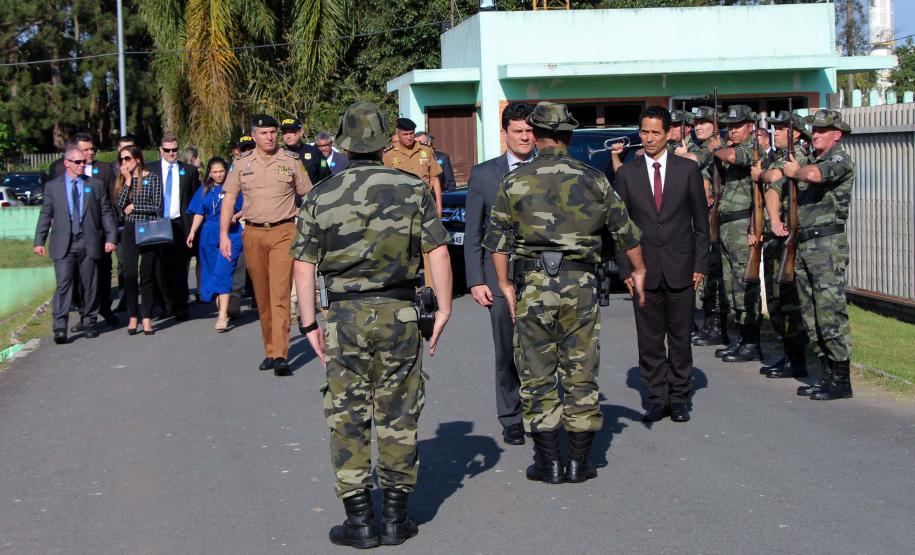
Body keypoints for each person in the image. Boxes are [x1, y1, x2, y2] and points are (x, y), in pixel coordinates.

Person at [291, 101, 452, 549]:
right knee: (399, 411)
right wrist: (443, 309)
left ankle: (359, 520)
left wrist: (309, 324)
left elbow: (304, 266)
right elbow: (437, 252)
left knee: (348, 413)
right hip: (399, 311)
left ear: (343, 142)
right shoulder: (412, 188)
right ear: (384, 141)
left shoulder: (321, 195)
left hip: (343, 317)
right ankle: (397, 518)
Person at [484, 102, 647, 484]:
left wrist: (505, 284)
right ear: (569, 137)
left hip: (535, 286)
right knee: (580, 371)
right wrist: (638, 270)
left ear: (536, 136)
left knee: (537, 373)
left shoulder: (515, 181)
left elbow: (497, 243)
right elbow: (627, 234)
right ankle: (578, 462)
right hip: (581, 286)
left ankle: (548, 462)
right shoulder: (594, 179)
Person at [612, 106, 709, 423]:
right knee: (650, 339)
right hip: (643, 271)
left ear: (668, 134)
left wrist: (700, 264)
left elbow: (701, 224)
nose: (649, 138)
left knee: (680, 337)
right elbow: (620, 226)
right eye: (644, 131)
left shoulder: (687, 170)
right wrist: (625, 270)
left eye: (655, 132)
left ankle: (680, 397)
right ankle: (657, 397)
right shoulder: (627, 173)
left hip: (682, 267)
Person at [463, 101, 535, 446]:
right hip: (497, 278)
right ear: (504, 133)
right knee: (505, 352)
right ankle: (511, 417)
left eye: (530, 131)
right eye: (518, 131)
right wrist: (476, 280)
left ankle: (542, 413)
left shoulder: (546, 170)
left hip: (541, 276)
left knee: (541, 349)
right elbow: (473, 233)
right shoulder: (483, 174)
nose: (525, 137)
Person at [221, 115, 312, 376]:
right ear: (255, 135)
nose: (270, 137)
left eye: (273, 132)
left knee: (279, 292)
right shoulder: (241, 163)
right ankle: (270, 350)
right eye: (264, 133)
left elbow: (308, 194)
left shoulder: (291, 162)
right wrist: (224, 235)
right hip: (253, 233)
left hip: (284, 231)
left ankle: (282, 355)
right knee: (262, 295)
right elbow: (229, 198)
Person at [782, 109, 856, 401]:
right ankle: (826, 373)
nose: (816, 134)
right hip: (804, 243)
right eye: (814, 129)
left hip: (827, 246)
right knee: (811, 313)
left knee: (829, 312)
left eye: (823, 130)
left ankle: (841, 378)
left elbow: (813, 176)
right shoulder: (809, 160)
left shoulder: (839, 159)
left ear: (836, 134)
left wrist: (794, 171)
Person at [33, 144, 118, 343]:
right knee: (64, 283)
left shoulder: (94, 185)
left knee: (89, 284)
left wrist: (111, 238)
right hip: (64, 242)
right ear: (67, 163)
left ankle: (89, 321)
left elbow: (106, 212)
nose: (83, 165)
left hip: (89, 241)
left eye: (84, 161)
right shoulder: (53, 187)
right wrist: (39, 241)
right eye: (78, 162)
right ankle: (60, 326)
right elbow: (46, 214)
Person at [752, 111, 811, 380]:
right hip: (776, 235)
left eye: (781, 128)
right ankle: (787, 355)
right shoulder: (776, 157)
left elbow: (774, 178)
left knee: (789, 300)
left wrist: (762, 174)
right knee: (776, 299)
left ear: (796, 133)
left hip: (792, 236)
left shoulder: (797, 156)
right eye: (774, 128)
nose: (775, 131)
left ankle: (797, 359)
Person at [50, 133, 120, 329]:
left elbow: (110, 204)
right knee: (74, 280)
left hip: (97, 235)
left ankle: (103, 310)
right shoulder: (58, 169)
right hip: (70, 237)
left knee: (100, 277)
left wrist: (111, 234)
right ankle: (83, 314)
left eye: (92, 149)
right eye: (85, 149)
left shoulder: (104, 171)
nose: (89, 153)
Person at [711, 105, 762, 363]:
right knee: (732, 285)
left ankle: (752, 340)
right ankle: (741, 337)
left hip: (743, 225)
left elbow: (732, 158)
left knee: (745, 284)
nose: (732, 130)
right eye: (729, 126)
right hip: (728, 225)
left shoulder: (752, 150)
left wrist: (716, 148)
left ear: (750, 127)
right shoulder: (730, 149)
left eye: (737, 126)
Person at [685, 106, 730, 348]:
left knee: (716, 272)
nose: (697, 126)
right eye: (696, 123)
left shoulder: (717, 146)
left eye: (703, 122)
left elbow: (694, 162)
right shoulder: (701, 147)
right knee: (708, 271)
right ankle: (711, 324)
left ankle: (718, 326)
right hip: (704, 215)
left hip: (720, 216)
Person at [146, 132, 200, 321]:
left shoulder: (189, 171)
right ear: (160, 150)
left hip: (179, 224)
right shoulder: (149, 170)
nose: (171, 153)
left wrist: (193, 227)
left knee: (179, 267)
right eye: (167, 150)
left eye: (174, 150)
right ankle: (164, 305)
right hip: (158, 224)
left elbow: (195, 200)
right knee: (159, 267)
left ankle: (181, 305)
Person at [185, 157, 243, 332]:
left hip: (230, 234)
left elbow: (248, 205)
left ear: (226, 171)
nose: (218, 175)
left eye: (221, 171)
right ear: (209, 173)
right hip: (209, 234)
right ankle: (224, 307)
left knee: (223, 272)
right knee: (211, 273)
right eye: (215, 172)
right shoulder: (204, 190)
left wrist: (236, 216)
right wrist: (193, 232)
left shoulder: (234, 187)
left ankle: (222, 316)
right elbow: (199, 212)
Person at [116, 146, 163, 335]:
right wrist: (127, 182)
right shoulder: (123, 180)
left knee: (147, 273)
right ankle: (133, 315)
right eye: (121, 160)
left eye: (127, 159)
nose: (124, 163)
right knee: (129, 273)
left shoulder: (152, 178)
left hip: (148, 228)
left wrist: (134, 206)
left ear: (137, 158)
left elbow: (157, 205)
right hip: (130, 229)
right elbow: (120, 206)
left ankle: (146, 316)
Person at [382, 118, 443, 216]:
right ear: (398, 134)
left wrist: (439, 206)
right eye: (405, 134)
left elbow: (434, 179)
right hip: (399, 205)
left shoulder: (426, 150)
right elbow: (385, 183)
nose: (409, 137)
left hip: (425, 203)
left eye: (411, 133)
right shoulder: (389, 154)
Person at [280, 117, 331, 184]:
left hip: (313, 192)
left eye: (292, 131)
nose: (288, 136)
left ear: (301, 132)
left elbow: (326, 177)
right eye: (285, 132)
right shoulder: (279, 154)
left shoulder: (315, 152)